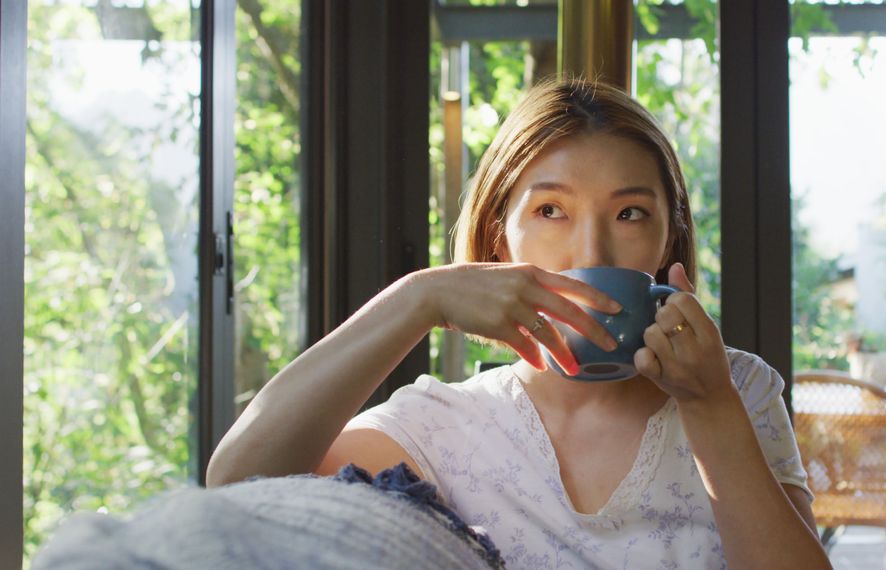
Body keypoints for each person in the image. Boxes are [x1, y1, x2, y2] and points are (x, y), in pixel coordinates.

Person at [208, 79, 832, 569]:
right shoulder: (447, 426)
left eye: (631, 213)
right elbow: (238, 480)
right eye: (551, 210)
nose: (593, 252)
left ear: (671, 240)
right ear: (498, 241)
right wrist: (418, 298)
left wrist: (711, 406)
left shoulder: (737, 390)